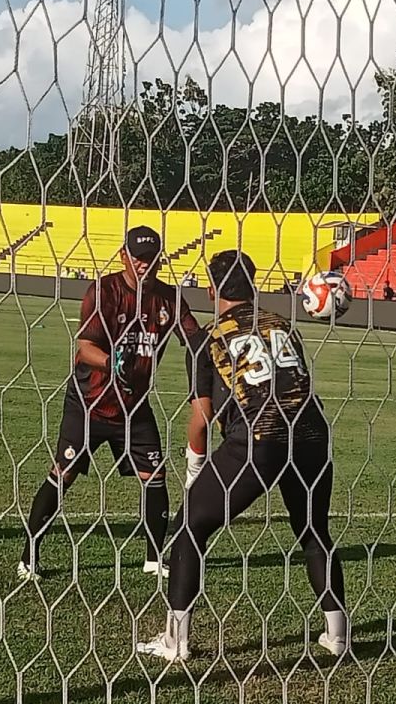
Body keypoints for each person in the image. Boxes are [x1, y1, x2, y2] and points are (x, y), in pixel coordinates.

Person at [137, 250, 348, 662]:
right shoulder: (283, 325)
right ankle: (337, 635)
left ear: (213, 289)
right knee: (313, 531)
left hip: (259, 440)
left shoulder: (207, 339)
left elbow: (201, 417)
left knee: (187, 528)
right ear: (252, 285)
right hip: (310, 435)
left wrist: (195, 468)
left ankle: (175, 641)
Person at [18, 226, 200, 581]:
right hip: (90, 402)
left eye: (151, 259)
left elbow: (194, 337)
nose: (144, 265)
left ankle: (153, 558)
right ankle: (29, 557)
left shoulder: (168, 299)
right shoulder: (104, 291)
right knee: (64, 474)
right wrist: (110, 361)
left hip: (134, 407)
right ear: (124, 256)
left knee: (155, 476)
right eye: (138, 258)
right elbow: (84, 348)